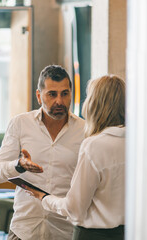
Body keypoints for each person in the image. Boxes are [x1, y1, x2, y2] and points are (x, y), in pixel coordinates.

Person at [0, 65, 85, 240]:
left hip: (65, 231)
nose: (59, 101)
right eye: (52, 94)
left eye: (65, 93)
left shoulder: (84, 130)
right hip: (25, 228)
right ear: (39, 96)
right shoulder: (20, 124)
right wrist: (18, 165)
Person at [28, 75, 126, 240]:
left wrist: (45, 198)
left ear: (95, 105)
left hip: (94, 235)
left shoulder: (94, 146)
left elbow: (74, 209)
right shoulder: (141, 144)